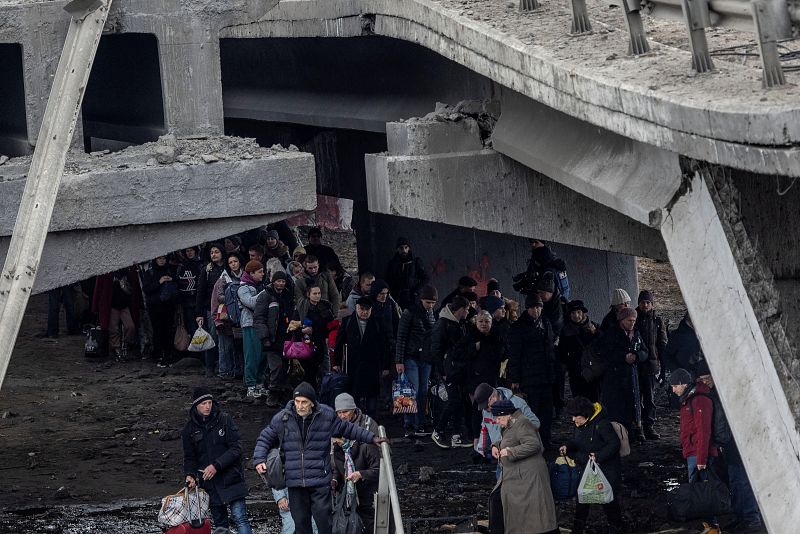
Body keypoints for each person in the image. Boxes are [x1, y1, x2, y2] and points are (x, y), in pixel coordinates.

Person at [253, 382, 386, 534]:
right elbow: (265, 438)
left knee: (324, 524)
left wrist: (372, 438)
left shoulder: (326, 416)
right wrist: (259, 459)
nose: (300, 406)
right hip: (295, 481)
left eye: (304, 402)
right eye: (297, 402)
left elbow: (348, 428)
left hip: (319, 481)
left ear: (312, 403)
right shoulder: (283, 418)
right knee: (301, 525)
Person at [695, 366, 763, 532]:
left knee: (742, 480)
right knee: (736, 480)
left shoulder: (719, 394)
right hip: (732, 443)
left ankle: (750, 517)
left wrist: (718, 441)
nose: (705, 382)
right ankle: (742, 516)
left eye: (707, 378)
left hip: (735, 442)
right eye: (702, 379)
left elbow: (720, 424)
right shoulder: (718, 392)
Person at [181, 387, 252, 534]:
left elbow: (236, 448)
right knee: (220, 524)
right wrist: (190, 474)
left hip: (232, 477)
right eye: (203, 404)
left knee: (240, 517)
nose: (207, 406)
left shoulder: (224, 420)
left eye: (209, 402)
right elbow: (189, 457)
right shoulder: (189, 429)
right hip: (210, 483)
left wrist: (216, 465)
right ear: (196, 406)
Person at [489, 399, 557, 534]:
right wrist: (495, 446)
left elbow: (533, 444)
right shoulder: (510, 424)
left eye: (498, 417)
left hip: (527, 477)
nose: (497, 421)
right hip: (519, 476)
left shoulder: (522, 422)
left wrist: (510, 451)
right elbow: (510, 439)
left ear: (507, 414)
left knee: (535, 515)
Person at [561, 396, 625, 534]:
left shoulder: (601, 424)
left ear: (584, 414)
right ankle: (578, 527)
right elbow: (576, 440)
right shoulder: (580, 424)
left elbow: (614, 444)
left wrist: (598, 456)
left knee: (607, 499)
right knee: (582, 497)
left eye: (575, 416)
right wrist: (567, 445)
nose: (573, 420)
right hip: (587, 467)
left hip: (606, 469)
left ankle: (616, 526)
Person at [670, 368, 720, 529]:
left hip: (698, 454)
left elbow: (703, 431)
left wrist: (701, 459)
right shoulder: (691, 399)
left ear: (683, 384)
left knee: (703, 492)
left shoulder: (698, 401)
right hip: (694, 453)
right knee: (701, 491)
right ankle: (707, 525)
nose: (673, 390)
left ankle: (711, 525)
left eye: (674, 386)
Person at [507, 293, 556, 447]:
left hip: (545, 374)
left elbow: (550, 350)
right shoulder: (518, 328)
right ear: (527, 308)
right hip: (529, 376)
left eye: (539, 307)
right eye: (533, 307)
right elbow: (514, 354)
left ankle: (545, 440)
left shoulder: (545, 322)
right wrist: (515, 378)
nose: (536, 310)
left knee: (547, 410)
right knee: (532, 410)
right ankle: (533, 441)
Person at [596, 307, 649, 441]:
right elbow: (606, 353)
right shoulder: (612, 333)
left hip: (632, 377)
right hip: (615, 377)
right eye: (629, 320)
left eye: (634, 320)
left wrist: (636, 356)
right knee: (616, 409)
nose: (632, 323)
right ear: (622, 320)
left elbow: (645, 351)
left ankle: (631, 432)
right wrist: (623, 357)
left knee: (631, 406)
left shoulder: (636, 333)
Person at [333, 297, 391, 417]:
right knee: (354, 398)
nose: (364, 312)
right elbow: (339, 343)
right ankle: (356, 424)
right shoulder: (348, 321)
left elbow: (385, 345)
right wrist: (336, 362)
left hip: (372, 365)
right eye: (361, 309)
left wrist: (386, 365)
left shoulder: (377, 322)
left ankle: (371, 424)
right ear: (357, 308)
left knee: (372, 401)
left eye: (367, 310)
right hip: (353, 365)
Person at [454, 310, 505, 447]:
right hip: (474, 379)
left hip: (491, 378)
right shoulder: (469, 337)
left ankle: (492, 439)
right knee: (478, 409)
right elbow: (457, 353)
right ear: (475, 322)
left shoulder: (497, 336)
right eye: (481, 321)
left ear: (491, 323)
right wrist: (473, 348)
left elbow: (502, 353)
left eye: (487, 321)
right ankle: (477, 439)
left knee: (492, 409)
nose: (483, 324)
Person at [331, 393, 382, 529]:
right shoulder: (334, 428)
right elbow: (335, 461)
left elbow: (379, 462)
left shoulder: (368, 425)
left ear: (353, 410)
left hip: (367, 484)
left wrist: (362, 474)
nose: (342, 416)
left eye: (345, 411)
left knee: (368, 518)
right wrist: (335, 478)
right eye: (339, 412)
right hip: (346, 484)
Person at [395, 285, 438, 437]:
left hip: (424, 358)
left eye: (432, 303)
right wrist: (399, 361)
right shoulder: (410, 313)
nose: (430, 306)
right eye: (428, 302)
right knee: (411, 391)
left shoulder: (430, 313)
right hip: (411, 357)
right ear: (421, 300)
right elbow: (401, 337)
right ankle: (410, 423)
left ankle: (419, 423)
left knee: (421, 391)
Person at [472, 383, 540, 475]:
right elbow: (485, 428)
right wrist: (481, 450)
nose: (486, 409)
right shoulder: (486, 411)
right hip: (501, 456)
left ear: (493, 398)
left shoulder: (517, 403)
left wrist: (514, 429)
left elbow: (535, 424)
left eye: (487, 406)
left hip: (520, 457)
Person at [431, 296, 471, 449]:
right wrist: (442, 372)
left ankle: (456, 435)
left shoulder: (459, 324)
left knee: (459, 401)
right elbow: (436, 350)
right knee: (454, 400)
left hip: (457, 369)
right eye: (466, 309)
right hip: (448, 370)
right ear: (459, 309)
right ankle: (438, 430)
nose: (467, 312)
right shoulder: (443, 325)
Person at [635, 290, 667, 439]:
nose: (645, 305)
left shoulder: (657, 321)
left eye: (648, 302)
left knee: (649, 398)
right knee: (635, 398)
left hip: (651, 366)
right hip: (636, 366)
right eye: (643, 302)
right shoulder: (633, 318)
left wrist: (663, 367)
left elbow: (662, 344)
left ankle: (649, 426)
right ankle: (638, 427)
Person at [92, 267, 142, 360]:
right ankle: (117, 347)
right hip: (111, 305)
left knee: (130, 326)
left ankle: (124, 344)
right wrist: (96, 306)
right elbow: (98, 288)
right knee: (113, 328)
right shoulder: (105, 271)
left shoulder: (129, 270)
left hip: (125, 304)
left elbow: (135, 286)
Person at [291, 284, 335, 386]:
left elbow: (330, 326)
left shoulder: (326, 308)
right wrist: (302, 331)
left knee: (323, 372)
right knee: (308, 373)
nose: (317, 296)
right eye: (314, 293)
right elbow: (292, 327)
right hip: (304, 344)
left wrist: (314, 330)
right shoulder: (301, 308)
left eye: (319, 293)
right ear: (308, 295)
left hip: (320, 343)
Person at [557, 300, 600, 401]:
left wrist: (596, 333)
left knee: (595, 401)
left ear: (583, 313)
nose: (576, 315)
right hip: (576, 373)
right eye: (573, 313)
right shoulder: (566, 331)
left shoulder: (594, 326)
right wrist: (570, 364)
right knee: (579, 402)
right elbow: (561, 352)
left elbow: (602, 345)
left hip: (592, 372)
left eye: (578, 312)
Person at [263, 271, 295, 406]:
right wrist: (265, 337)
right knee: (276, 367)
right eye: (278, 281)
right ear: (273, 281)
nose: (281, 283)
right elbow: (259, 318)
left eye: (283, 281)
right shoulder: (266, 296)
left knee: (284, 367)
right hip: (272, 338)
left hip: (286, 337)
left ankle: (281, 394)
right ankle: (272, 394)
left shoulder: (287, 296)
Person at [195, 243, 225, 377]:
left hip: (226, 308)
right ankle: (210, 366)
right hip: (210, 308)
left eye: (216, 252)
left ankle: (224, 366)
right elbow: (200, 292)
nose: (214, 254)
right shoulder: (206, 270)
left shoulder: (227, 268)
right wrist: (199, 313)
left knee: (225, 337)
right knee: (212, 337)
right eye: (212, 252)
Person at [142, 256, 177, 367]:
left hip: (169, 306)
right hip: (155, 307)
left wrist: (172, 281)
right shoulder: (150, 273)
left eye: (163, 258)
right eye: (159, 258)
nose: (162, 260)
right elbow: (147, 289)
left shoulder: (170, 270)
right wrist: (159, 282)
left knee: (168, 330)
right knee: (158, 331)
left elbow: (176, 286)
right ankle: (158, 354)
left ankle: (168, 354)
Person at [238, 260, 266, 398]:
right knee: (252, 355)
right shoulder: (243, 288)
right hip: (249, 324)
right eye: (260, 272)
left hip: (261, 325)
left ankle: (259, 385)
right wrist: (266, 292)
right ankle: (250, 386)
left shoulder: (259, 286)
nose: (263, 274)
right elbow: (251, 303)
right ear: (252, 273)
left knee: (262, 355)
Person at [215, 252, 244, 379]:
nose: (233, 264)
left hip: (243, 313)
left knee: (241, 345)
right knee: (229, 344)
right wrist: (232, 296)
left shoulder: (246, 276)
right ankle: (228, 370)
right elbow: (219, 296)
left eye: (235, 261)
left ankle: (239, 370)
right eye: (230, 262)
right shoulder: (224, 278)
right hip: (229, 315)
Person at [385, 237, 428, 310]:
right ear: (397, 249)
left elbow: (426, 278)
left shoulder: (415, 262)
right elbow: (387, 280)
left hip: (412, 298)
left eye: (406, 247)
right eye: (401, 248)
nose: (404, 250)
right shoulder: (392, 263)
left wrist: (417, 291)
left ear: (409, 248)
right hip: (397, 298)